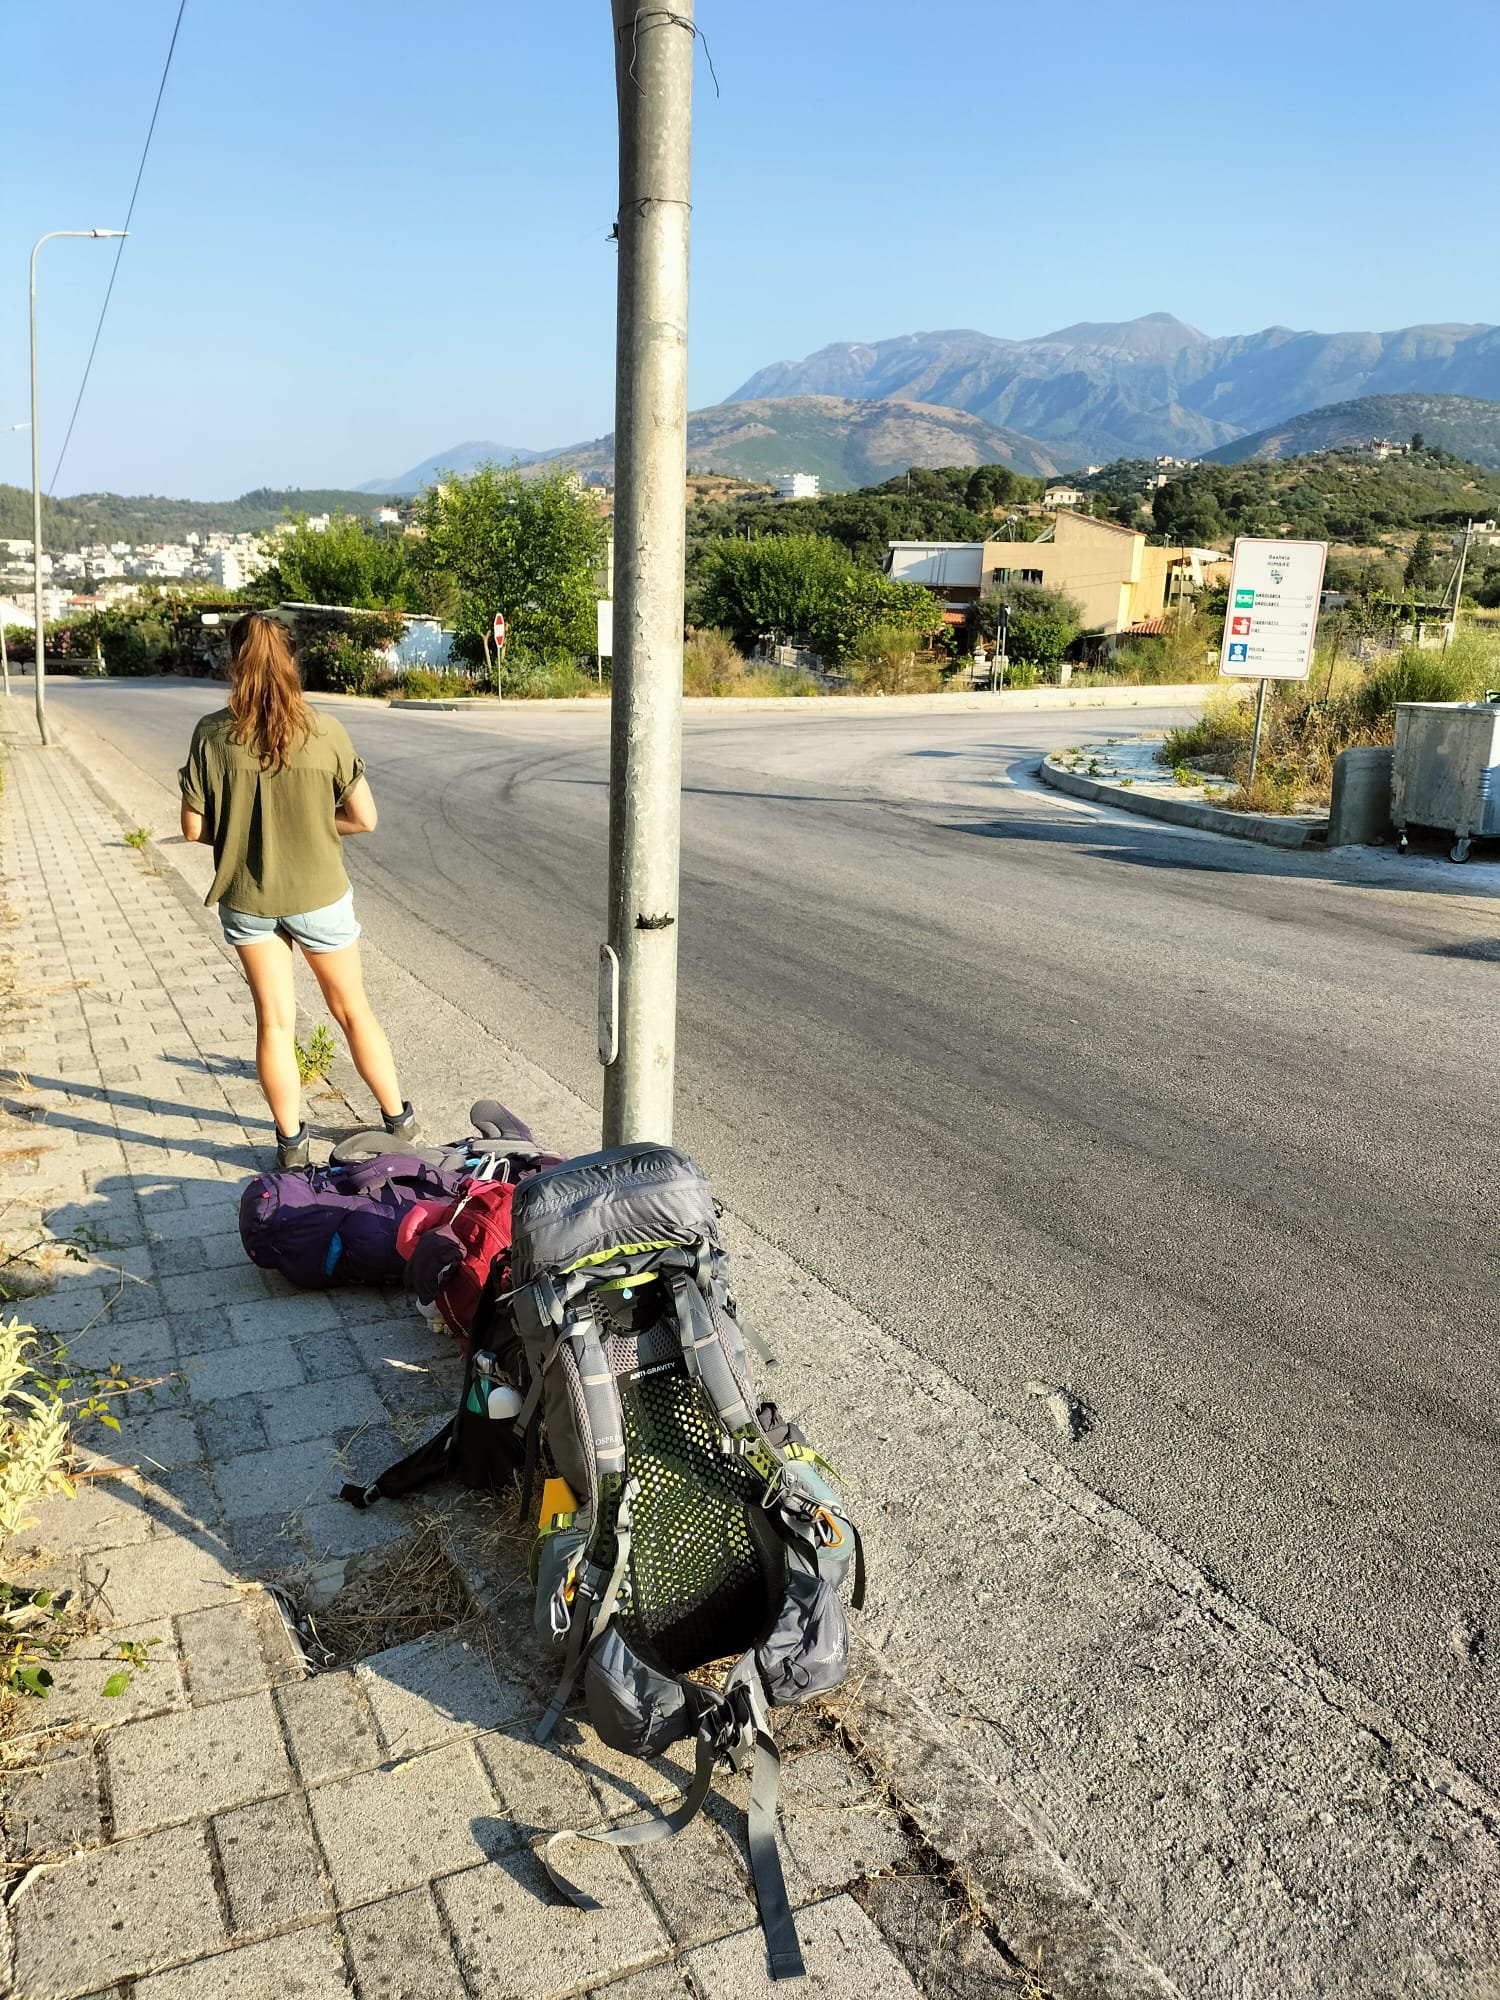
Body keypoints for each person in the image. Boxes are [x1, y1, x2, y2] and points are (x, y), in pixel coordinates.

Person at [178, 610, 416, 1168]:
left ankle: (290, 1145)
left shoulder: (212, 734)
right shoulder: (324, 729)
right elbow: (364, 818)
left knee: (275, 1022)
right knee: (352, 1009)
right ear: (291, 661)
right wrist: (310, 821)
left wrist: (245, 830)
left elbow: (193, 828)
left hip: (247, 896)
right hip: (320, 894)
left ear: (235, 663)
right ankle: (398, 1122)